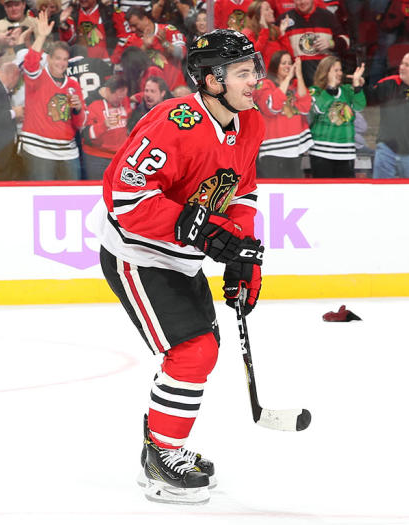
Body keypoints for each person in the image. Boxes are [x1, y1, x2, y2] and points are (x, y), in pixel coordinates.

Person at [98, 29, 266, 505]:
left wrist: (242, 254)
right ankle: (162, 456)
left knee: (203, 350)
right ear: (212, 80)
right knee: (192, 352)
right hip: (139, 253)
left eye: (252, 69)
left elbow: (242, 194)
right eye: (242, 73)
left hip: (182, 257)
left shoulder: (250, 123)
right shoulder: (171, 123)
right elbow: (125, 197)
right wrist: (200, 229)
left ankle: (162, 446)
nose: (254, 80)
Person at [18, 11, 86, 181]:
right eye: (57, 59)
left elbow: (79, 124)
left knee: (72, 200)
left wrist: (78, 110)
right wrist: (40, 37)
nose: (61, 63)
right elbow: (30, 64)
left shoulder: (73, 85)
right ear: (48, 59)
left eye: (65, 60)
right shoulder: (38, 76)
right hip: (37, 150)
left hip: (68, 153)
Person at [253, 50, 312, 178]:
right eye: (283, 63)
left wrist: (299, 75)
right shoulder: (265, 85)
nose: (287, 66)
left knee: (295, 192)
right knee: (277, 194)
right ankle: (276, 200)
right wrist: (288, 78)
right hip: (273, 151)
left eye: (290, 63)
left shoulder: (295, 85)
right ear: (275, 67)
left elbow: (305, 107)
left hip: (295, 148)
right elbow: (272, 107)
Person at [308, 56, 365, 178]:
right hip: (321, 152)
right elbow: (318, 108)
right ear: (325, 72)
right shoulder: (315, 91)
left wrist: (357, 86)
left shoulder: (346, 90)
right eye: (336, 70)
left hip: (346, 152)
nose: (340, 73)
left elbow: (359, 106)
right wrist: (330, 89)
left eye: (340, 70)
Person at [281, 0, 350, 86]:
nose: (302, 2)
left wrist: (331, 43)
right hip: (296, 82)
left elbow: (346, 41)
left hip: (324, 80)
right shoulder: (284, 20)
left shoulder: (328, 16)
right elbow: (273, 51)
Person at [82, 74, 130, 180]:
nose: (120, 100)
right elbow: (86, 135)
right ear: (108, 91)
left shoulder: (124, 99)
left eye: (123, 97)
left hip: (119, 157)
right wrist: (104, 125)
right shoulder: (91, 102)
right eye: (118, 97)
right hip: (97, 158)